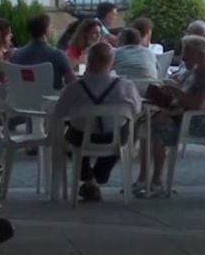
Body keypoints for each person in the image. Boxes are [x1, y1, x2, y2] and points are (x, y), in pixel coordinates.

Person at [50, 41, 142, 202]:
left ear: (89, 61)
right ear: (112, 62)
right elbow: (136, 111)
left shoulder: (74, 88)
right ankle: (98, 177)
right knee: (124, 132)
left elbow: (58, 113)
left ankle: (89, 180)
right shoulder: (126, 86)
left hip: (80, 139)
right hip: (115, 139)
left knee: (68, 138)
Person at [136, 35, 205, 197]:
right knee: (146, 123)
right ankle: (144, 177)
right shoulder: (193, 72)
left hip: (200, 121)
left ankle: (157, 181)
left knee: (158, 125)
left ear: (200, 54)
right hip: (184, 116)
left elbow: (199, 105)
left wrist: (175, 92)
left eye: (187, 53)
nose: (183, 57)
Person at [11, 14, 76, 89]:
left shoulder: (17, 55)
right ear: (46, 30)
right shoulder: (58, 55)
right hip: (52, 99)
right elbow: (72, 82)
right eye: (50, 27)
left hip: (22, 99)